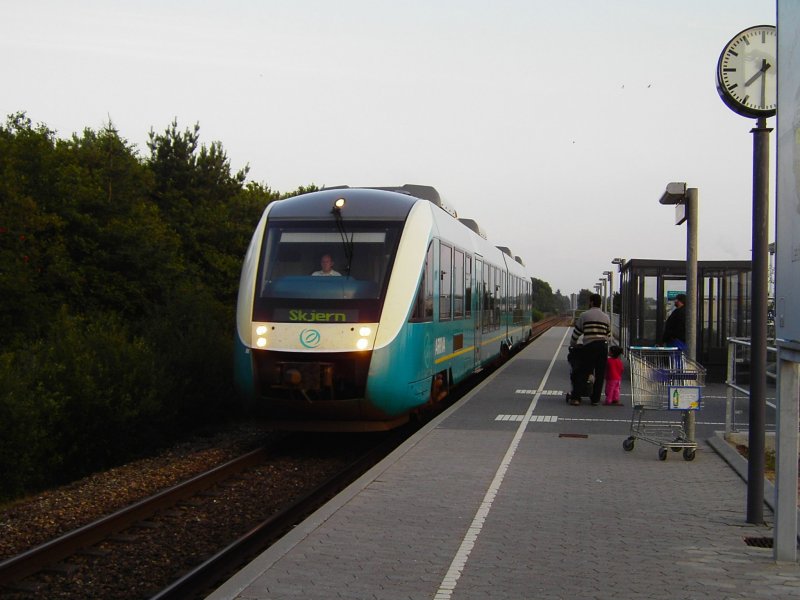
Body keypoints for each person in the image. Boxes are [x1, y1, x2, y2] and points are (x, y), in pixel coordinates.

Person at [568, 293, 611, 406]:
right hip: (603, 347)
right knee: (600, 374)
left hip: (590, 347)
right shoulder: (606, 317)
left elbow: (576, 333)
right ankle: (595, 399)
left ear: (591, 302)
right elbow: (609, 335)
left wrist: (573, 344)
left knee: (583, 371)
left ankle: (576, 398)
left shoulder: (584, 315)